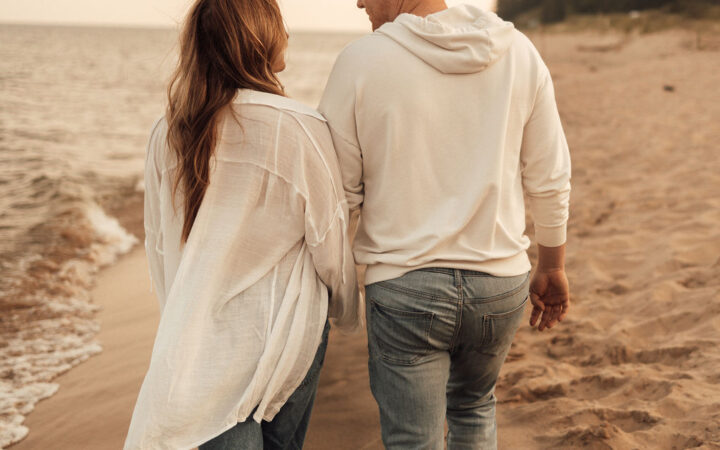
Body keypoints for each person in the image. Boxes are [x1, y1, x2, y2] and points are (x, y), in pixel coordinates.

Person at [318, 0, 572, 448]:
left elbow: (338, 195)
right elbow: (549, 176)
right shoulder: (519, 52)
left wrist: (333, 289)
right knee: (474, 411)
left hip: (404, 290)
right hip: (499, 284)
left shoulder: (360, 61)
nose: (358, 2)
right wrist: (552, 263)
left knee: (413, 439)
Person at [124, 0, 361, 448]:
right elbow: (329, 244)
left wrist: (180, 321)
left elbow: (159, 244)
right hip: (282, 337)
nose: (287, 35)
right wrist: (347, 311)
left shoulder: (167, 131)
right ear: (259, 38)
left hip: (197, 343)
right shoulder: (299, 126)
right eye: (279, 25)